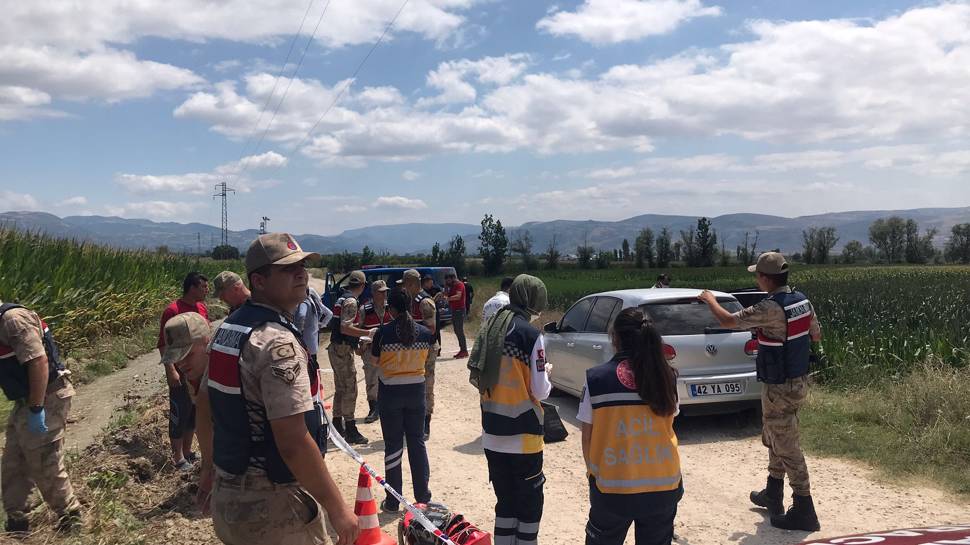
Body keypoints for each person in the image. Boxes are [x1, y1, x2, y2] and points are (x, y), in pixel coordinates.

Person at [195, 232, 358, 545]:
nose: (300, 273)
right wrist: (337, 508)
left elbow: (204, 403)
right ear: (258, 281)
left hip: (229, 496)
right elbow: (292, 441)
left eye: (302, 265)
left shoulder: (228, 330)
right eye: (287, 268)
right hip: (274, 506)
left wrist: (209, 467)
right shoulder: (277, 342)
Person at [698, 251, 822, 531]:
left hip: (779, 384)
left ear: (766, 278)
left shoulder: (770, 308)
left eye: (757, 275)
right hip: (797, 379)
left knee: (786, 443)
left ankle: (804, 508)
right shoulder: (802, 301)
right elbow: (816, 334)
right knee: (775, 433)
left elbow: (728, 321)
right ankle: (773, 492)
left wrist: (710, 300)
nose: (756, 279)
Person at [577, 308, 683, 545]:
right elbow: (670, 422)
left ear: (615, 338)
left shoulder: (596, 379)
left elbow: (587, 437)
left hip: (613, 489)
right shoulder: (667, 376)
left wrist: (593, 475)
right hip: (663, 485)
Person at [468, 274, 552, 545]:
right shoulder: (530, 335)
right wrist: (546, 373)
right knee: (529, 508)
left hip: (492, 433)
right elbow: (540, 391)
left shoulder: (491, 327)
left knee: (505, 504)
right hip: (523, 438)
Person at [0, 301, 81, 534]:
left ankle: (71, 518)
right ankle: (17, 521)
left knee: (45, 459)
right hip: (25, 401)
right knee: (14, 462)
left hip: (47, 397)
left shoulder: (12, 320)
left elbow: (38, 361)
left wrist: (36, 409)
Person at [370, 289, 434, 513]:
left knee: (393, 446)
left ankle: (393, 500)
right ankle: (423, 496)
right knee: (417, 443)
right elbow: (428, 359)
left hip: (390, 395)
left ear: (392, 309)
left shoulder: (383, 333)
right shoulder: (425, 333)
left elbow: (375, 361)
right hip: (416, 393)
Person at [159, 271, 209, 470]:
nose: (206, 291)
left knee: (193, 412)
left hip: (198, 372)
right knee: (179, 412)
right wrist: (171, 370)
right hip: (181, 372)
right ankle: (177, 457)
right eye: (203, 287)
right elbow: (164, 344)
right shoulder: (172, 310)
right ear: (192, 288)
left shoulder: (201, 308)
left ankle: (188, 451)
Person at [326, 270, 370, 445]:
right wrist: (368, 333)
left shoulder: (342, 298)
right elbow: (346, 328)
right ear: (362, 285)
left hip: (337, 347)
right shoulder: (351, 301)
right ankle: (350, 428)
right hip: (342, 349)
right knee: (350, 388)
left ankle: (337, 425)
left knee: (341, 388)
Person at [399, 269, 438, 440]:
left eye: (406, 284)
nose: (404, 288)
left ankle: (426, 423)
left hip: (426, 350)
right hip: (415, 349)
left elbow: (431, 329)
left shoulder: (424, 302)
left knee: (426, 385)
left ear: (413, 283)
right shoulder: (411, 301)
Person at [359, 280, 391, 424]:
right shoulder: (364, 309)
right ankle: (374, 408)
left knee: (390, 378)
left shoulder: (391, 307)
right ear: (373, 293)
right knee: (371, 379)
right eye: (381, 291)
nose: (384, 294)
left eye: (385, 291)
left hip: (389, 350)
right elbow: (357, 329)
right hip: (370, 350)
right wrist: (359, 346)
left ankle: (389, 407)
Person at [160, 312, 211, 400]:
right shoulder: (193, 379)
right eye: (176, 357)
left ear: (207, 342)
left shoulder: (224, 381)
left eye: (188, 355)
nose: (181, 364)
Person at [294, 287, 332, 385]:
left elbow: (301, 315)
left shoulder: (304, 303)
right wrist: (321, 325)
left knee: (309, 369)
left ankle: (314, 391)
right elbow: (329, 313)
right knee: (314, 365)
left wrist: (297, 331)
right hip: (313, 340)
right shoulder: (313, 301)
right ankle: (317, 388)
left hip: (306, 342)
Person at [444, 272, 469, 359]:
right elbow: (446, 294)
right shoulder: (452, 286)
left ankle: (464, 350)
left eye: (448, 280)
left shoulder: (459, 285)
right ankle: (462, 349)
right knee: (456, 330)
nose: (448, 282)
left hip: (459, 310)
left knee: (459, 330)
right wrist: (446, 287)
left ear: (453, 278)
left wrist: (448, 298)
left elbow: (458, 296)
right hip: (454, 310)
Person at [421, 275, 443, 352]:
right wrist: (434, 298)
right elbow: (429, 301)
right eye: (430, 283)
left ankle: (438, 349)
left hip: (435, 311)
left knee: (437, 330)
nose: (431, 285)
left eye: (432, 283)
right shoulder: (422, 291)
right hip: (427, 312)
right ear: (425, 283)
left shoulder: (435, 288)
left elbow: (441, 293)